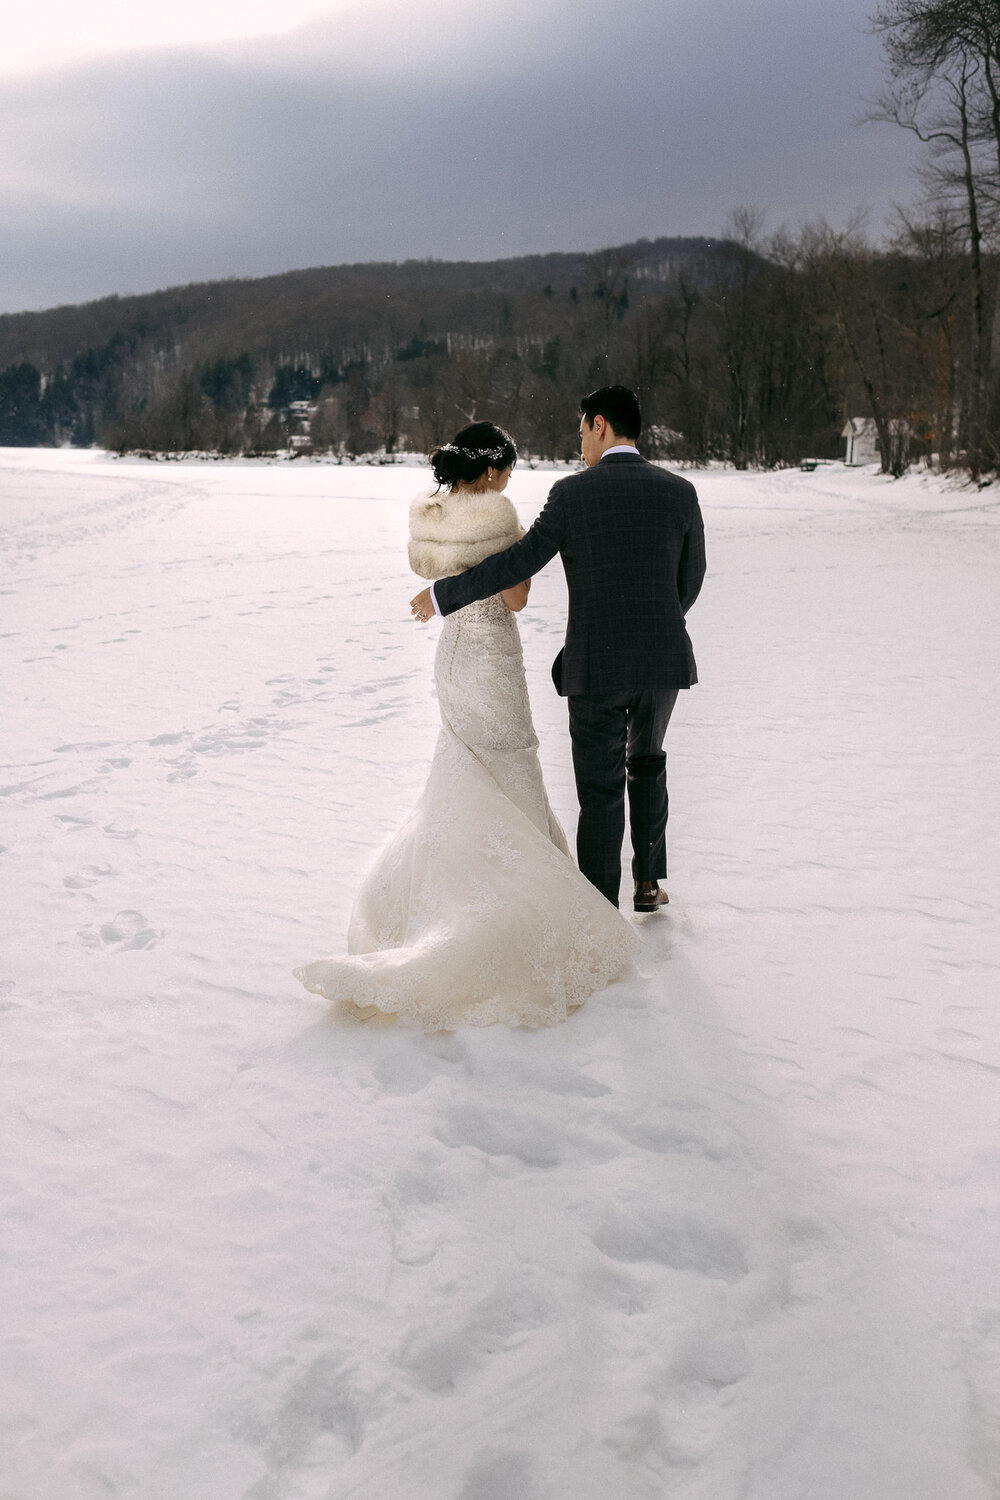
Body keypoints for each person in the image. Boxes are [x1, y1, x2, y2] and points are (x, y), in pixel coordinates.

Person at [294, 421, 637, 1030]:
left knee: (462, 764)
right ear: (488, 472)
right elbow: (516, 598)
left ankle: (437, 898)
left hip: (452, 656)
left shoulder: (433, 514)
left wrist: (449, 587)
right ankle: (510, 910)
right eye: (505, 469)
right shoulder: (496, 514)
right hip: (491, 659)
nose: (509, 478)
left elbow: (431, 578)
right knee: (509, 762)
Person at [411, 386, 705, 913]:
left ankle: (599, 910)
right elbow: (692, 579)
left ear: (599, 425)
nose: (580, 448)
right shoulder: (680, 491)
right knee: (649, 761)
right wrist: (657, 625)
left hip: (595, 663)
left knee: (599, 788)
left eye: (581, 435)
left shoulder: (572, 495)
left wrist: (443, 593)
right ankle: (646, 884)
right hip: (662, 661)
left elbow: (516, 563)